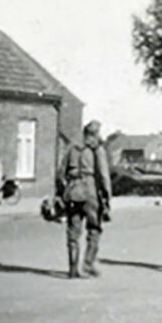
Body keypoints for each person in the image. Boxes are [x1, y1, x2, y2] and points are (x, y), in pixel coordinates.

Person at [55, 120, 111, 279]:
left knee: (73, 230)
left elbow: (60, 173)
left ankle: (73, 268)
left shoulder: (72, 149)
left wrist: (61, 193)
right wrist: (107, 197)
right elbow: (104, 176)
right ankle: (88, 263)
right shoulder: (97, 150)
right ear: (95, 135)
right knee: (94, 228)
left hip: (72, 191)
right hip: (90, 192)